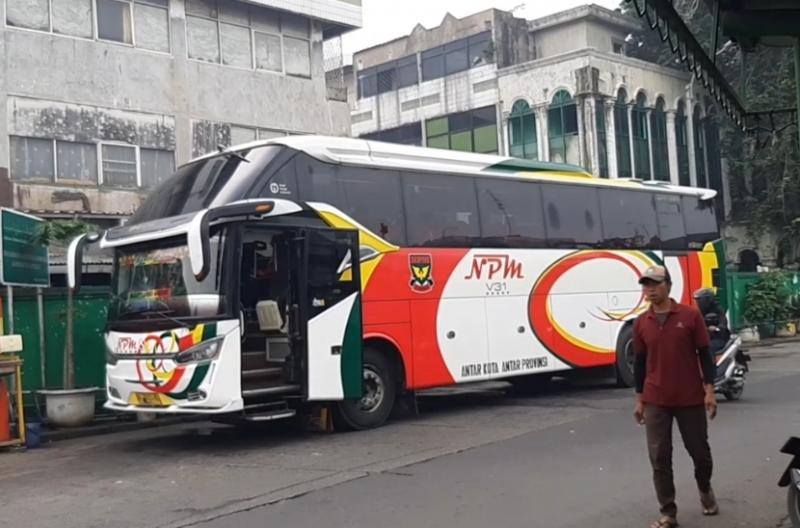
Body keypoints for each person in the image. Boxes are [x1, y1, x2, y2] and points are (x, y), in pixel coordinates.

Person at [632, 265, 719, 528]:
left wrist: (710, 390)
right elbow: (639, 362)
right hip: (656, 398)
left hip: (689, 397)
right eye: (646, 285)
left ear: (668, 285)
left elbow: (705, 353)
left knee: (699, 452)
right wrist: (639, 399)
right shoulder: (641, 323)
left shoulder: (690, 316)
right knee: (659, 456)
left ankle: (704, 488)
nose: (650, 289)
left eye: (655, 284)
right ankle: (668, 511)